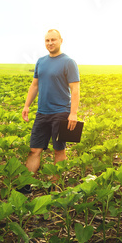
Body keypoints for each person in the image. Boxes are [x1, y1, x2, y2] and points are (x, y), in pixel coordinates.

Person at [22, 29, 80, 179]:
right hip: (42, 113)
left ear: (61, 40)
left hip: (61, 113)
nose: (50, 43)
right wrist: (27, 105)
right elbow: (35, 85)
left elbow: (75, 89)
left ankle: (55, 187)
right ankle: (26, 185)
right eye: (47, 40)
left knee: (58, 150)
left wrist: (73, 113)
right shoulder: (41, 61)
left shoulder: (68, 62)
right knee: (34, 149)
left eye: (53, 40)